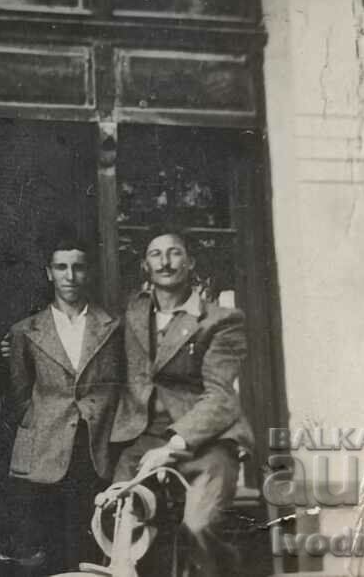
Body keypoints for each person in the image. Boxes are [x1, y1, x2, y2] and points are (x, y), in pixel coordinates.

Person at [109, 226, 253, 577]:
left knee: (199, 527)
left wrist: (176, 443)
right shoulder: (132, 314)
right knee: (122, 525)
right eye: (156, 254)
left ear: (190, 262)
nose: (165, 262)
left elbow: (220, 396)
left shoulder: (221, 321)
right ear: (145, 266)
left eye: (174, 253)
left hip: (206, 442)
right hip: (142, 440)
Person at [6, 238, 125, 574]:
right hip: (45, 450)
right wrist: (40, 421)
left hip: (95, 448)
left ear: (87, 273)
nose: (70, 275)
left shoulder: (113, 326)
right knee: (47, 545)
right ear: (49, 273)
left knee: (92, 542)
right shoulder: (25, 331)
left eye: (78, 267)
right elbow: (20, 392)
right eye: (61, 267)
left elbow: (121, 384)